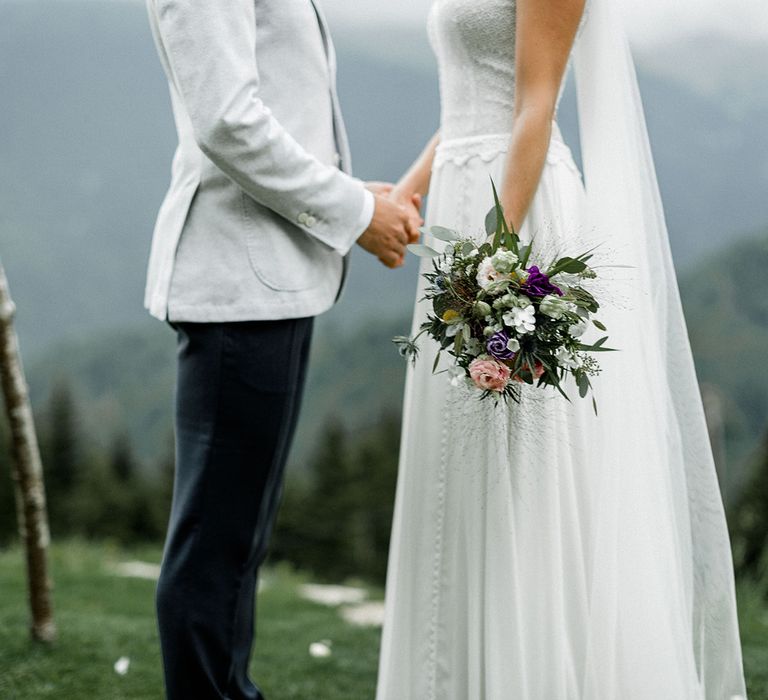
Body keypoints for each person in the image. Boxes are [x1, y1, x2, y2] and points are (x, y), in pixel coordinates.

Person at [376, 0, 748, 698]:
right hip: (463, 209)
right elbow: (467, 103)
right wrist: (403, 195)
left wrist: (495, 259)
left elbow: (534, 104)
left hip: (512, 216)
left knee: (516, 472)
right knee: (455, 465)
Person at [143, 0, 421, 697]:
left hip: (272, 278)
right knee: (214, 545)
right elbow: (227, 123)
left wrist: (349, 193)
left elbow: (282, 102)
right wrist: (356, 214)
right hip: (236, 284)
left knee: (235, 543)